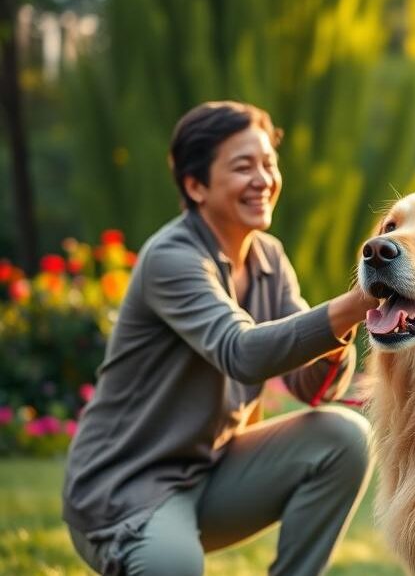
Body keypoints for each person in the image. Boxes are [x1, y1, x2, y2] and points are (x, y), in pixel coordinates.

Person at [62, 101, 378, 576]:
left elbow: (313, 387)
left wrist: (346, 327)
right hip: (127, 487)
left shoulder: (269, 258)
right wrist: (354, 303)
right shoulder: (172, 258)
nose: (263, 179)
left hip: (213, 471)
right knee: (174, 566)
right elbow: (241, 353)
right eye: (243, 167)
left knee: (343, 438)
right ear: (196, 186)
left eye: (268, 163)